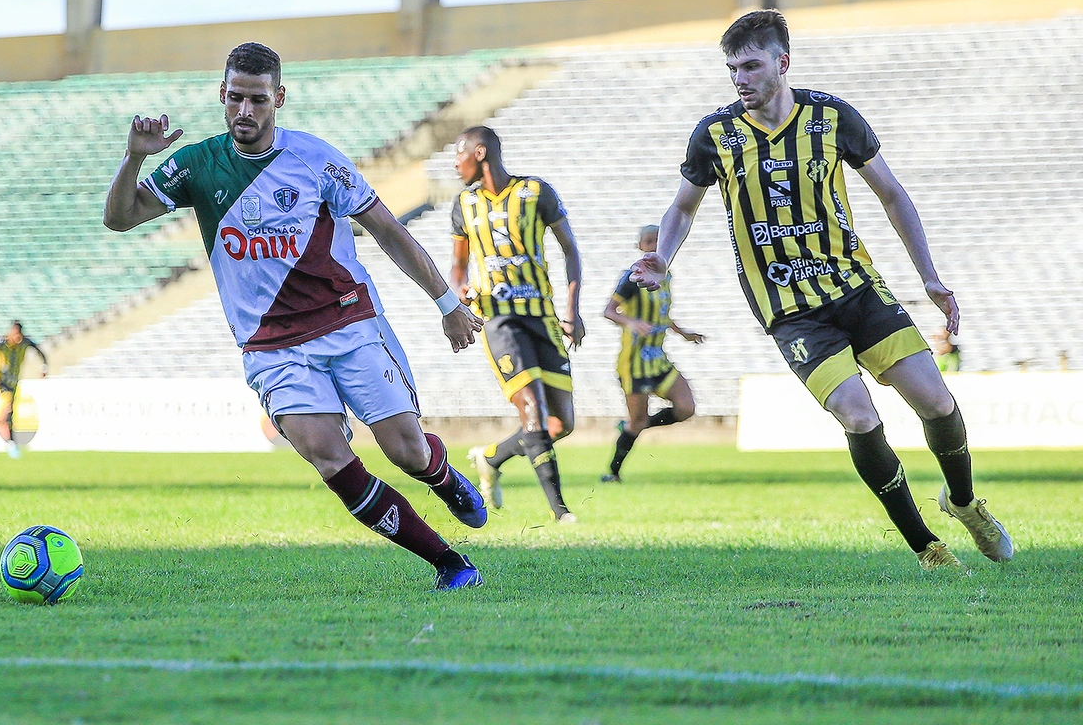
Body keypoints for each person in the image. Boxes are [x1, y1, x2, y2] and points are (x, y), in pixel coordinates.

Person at [632, 10, 1012, 570]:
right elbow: (682, 208)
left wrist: (928, 276)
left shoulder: (831, 118)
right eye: (732, 68)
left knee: (936, 401)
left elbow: (892, 193)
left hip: (856, 289)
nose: (741, 79)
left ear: (782, 62)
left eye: (752, 66)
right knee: (859, 417)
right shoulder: (715, 135)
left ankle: (963, 503)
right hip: (790, 311)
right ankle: (926, 546)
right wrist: (660, 258)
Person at [103, 42, 488, 591]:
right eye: (235, 98)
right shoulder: (196, 164)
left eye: (257, 100)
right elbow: (119, 219)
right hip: (271, 346)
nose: (244, 111)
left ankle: (442, 475)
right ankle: (449, 563)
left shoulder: (316, 159)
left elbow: (388, 231)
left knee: (406, 451)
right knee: (329, 458)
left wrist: (448, 305)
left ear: (278, 99)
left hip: (348, 324)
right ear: (221, 95)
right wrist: (135, 157)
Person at [450, 126, 585, 523]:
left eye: (458, 156)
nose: (454, 165)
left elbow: (570, 250)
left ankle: (491, 458)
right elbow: (458, 268)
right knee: (532, 411)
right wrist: (461, 291)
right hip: (499, 320)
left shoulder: (536, 192)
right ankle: (561, 512)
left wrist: (572, 310)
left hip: (542, 317)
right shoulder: (464, 203)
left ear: (479, 153)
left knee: (561, 423)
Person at [601, 225, 704, 483]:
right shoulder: (632, 278)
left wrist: (683, 333)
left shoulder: (665, 277)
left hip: (658, 358)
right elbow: (609, 311)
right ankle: (613, 473)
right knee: (636, 423)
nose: (652, 245)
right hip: (634, 363)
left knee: (686, 408)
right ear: (639, 246)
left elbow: (661, 314)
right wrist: (631, 322)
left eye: (657, 240)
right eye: (648, 241)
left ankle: (636, 426)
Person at [0, 320, 48, 458]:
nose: (18, 337)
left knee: (7, 418)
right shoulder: (1, 342)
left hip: (13, 383)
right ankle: (6, 441)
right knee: (7, 409)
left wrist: (44, 368)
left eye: (20, 334)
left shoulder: (25, 343)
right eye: (15, 333)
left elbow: (41, 352)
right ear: (11, 332)